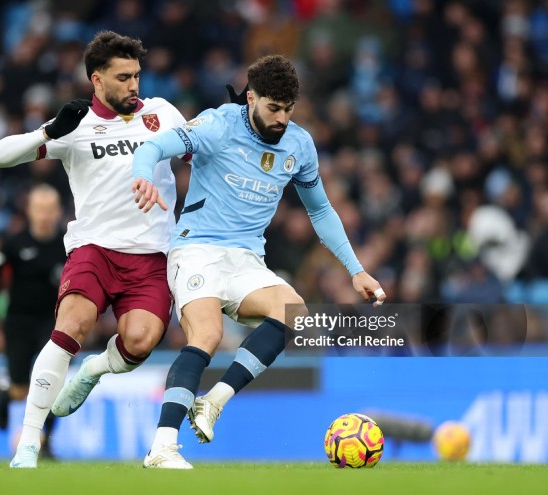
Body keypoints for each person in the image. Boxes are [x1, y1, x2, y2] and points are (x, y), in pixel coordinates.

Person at [132, 55, 387, 469]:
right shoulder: (218, 125)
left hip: (246, 257)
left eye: (289, 109)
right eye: (273, 108)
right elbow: (156, 145)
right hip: (197, 248)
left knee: (294, 313)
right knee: (208, 335)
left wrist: (355, 269)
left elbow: (320, 211)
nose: (282, 118)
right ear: (251, 97)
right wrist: (142, 174)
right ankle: (161, 447)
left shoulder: (299, 146)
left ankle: (214, 401)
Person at [0, 31, 189, 468]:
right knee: (72, 324)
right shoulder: (74, 126)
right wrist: (47, 131)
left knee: (139, 341)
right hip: (94, 249)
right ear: (96, 80)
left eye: (137, 75)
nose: (134, 86)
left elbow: (201, 150)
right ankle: (28, 443)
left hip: (153, 254)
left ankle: (95, 370)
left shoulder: (161, 113)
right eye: (123, 77)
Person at [0, 184, 66, 459]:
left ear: (58, 212)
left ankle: (45, 442)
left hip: (52, 323)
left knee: (51, 383)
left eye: (49, 210)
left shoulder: (67, 244)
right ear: (29, 211)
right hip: (18, 323)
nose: (44, 216)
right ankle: (7, 394)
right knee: (20, 387)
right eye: (39, 209)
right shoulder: (13, 243)